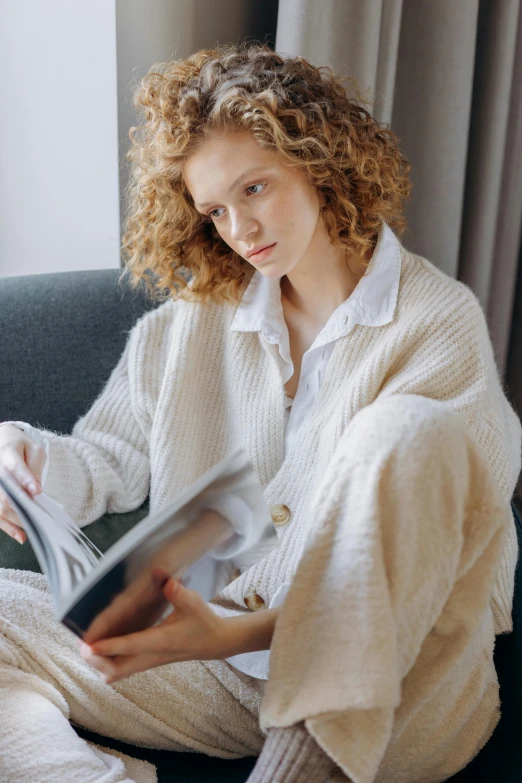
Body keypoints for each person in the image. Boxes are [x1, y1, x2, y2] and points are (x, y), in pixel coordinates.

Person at [0, 40, 520, 783]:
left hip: (400, 689)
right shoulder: (192, 322)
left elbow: (440, 566)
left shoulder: (438, 324)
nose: (240, 230)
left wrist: (230, 633)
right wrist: (22, 456)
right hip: (221, 672)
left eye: (254, 188)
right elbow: (109, 457)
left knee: (402, 432)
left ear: (318, 160)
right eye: (215, 208)